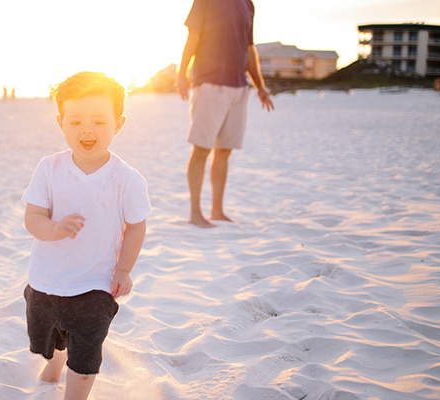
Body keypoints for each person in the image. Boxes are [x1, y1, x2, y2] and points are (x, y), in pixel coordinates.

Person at [21, 71, 152, 400]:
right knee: (48, 340)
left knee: (86, 349)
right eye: (76, 121)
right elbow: (33, 217)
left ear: (118, 124)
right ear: (60, 122)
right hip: (46, 280)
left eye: (98, 121)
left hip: (96, 283)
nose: (87, 130)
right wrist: (52, 228)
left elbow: (136, 226)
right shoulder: (49, 169)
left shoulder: (126, 179)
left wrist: (123, 269)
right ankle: (54, 365)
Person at [176, 0, 274, 228]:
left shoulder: (248, 4)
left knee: (224, 150)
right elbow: (193, 36)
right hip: (209, 82)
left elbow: (249, 48)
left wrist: (259, 86)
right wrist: (181, 73)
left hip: (239, 86)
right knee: (201, 148)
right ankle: (195, 213)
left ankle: (217, 211)